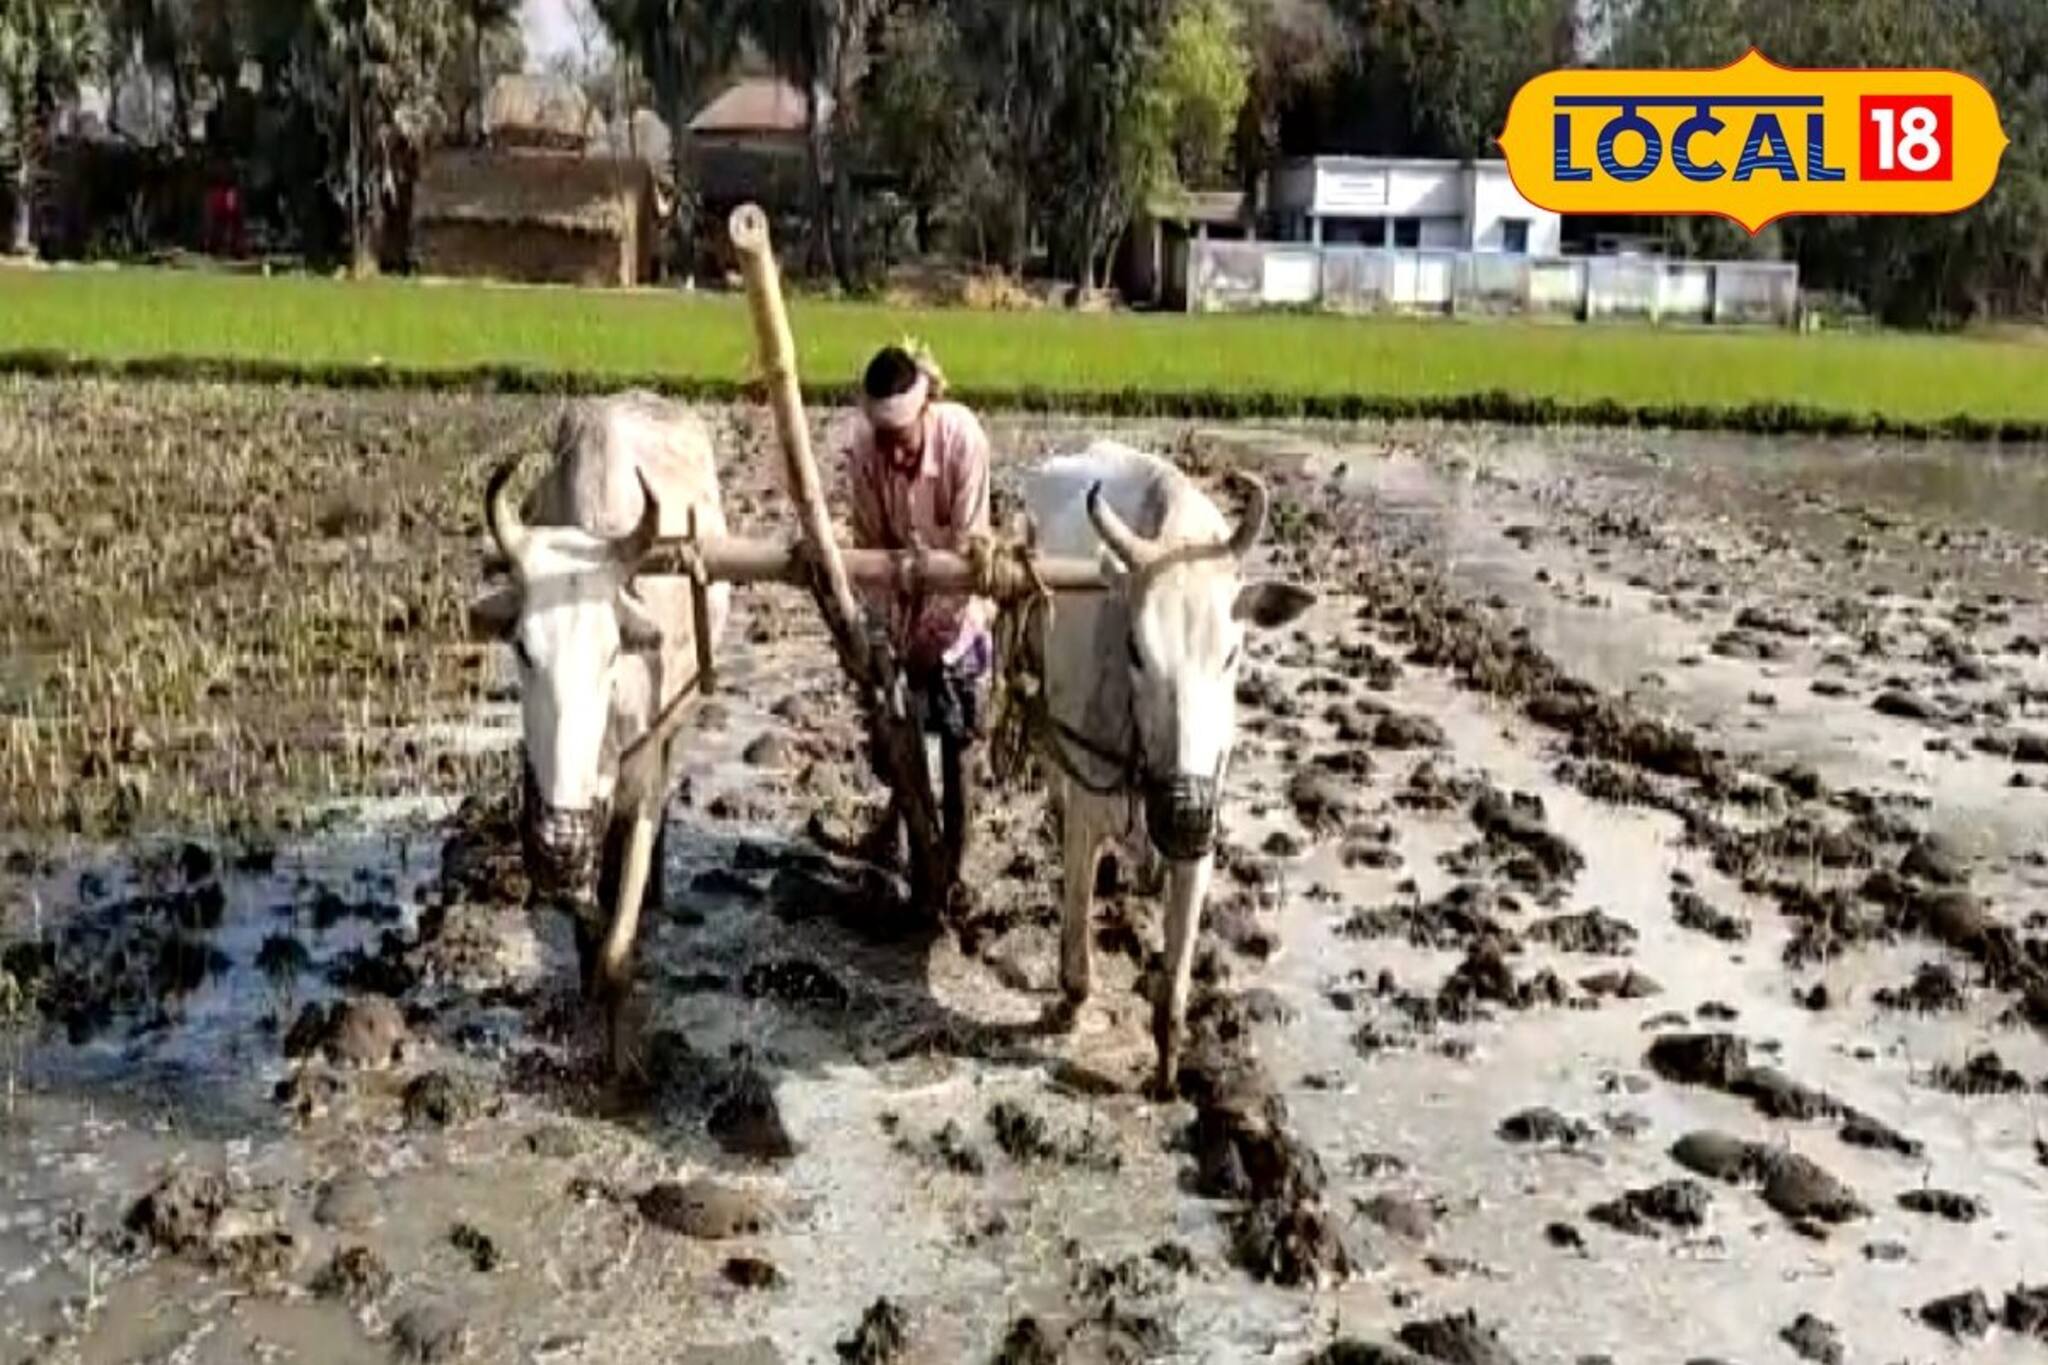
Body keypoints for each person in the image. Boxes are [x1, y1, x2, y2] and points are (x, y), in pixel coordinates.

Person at [842, 341, 994, 892]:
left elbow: (971, 549)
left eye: (902, 441)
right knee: (892, 735)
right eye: (885, 441)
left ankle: (953, 866)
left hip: (958, 609)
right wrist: (885, 643)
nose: (895, 455)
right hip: (898, 603)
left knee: (958, 735)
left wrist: (934, 635)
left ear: (925, 413)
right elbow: (866, 552)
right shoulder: (863, 452)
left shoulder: (962, 440)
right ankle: (903, 829)